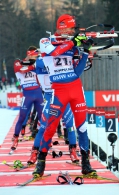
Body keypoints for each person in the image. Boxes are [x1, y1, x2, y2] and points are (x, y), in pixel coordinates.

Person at [32, 14, 96, 178]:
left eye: (74, 29)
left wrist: (85, 51)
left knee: (82, 127)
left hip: (76, 89)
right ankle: (41, 163)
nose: (72, 31)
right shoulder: (45, 42)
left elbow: (77, 72)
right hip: (58, 92)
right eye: (70, 28)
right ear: (61, 27)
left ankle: (86, 164)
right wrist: (73, 42)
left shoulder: (71, 46)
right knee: (51, 127)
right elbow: (54, 53)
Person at [27, 56, 79, 165]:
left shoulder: (58, 58)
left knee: (69, 125)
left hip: (63, 95)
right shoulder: (41, 60)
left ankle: (73, 150)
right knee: (43, 127)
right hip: (50, 97)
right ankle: (35, 152)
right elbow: (42, 63)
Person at [11, 46, 44, 151]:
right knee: (22, 117)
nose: (36, 58)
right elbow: (20, 69)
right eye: (34, 56)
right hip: (27, 94)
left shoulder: (37, 63)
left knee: (43, 117)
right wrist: (33, 66)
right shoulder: (18, 62)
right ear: (29, 54)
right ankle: (15, 138)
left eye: (36, 56)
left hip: (38, 93)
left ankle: (43, 139)